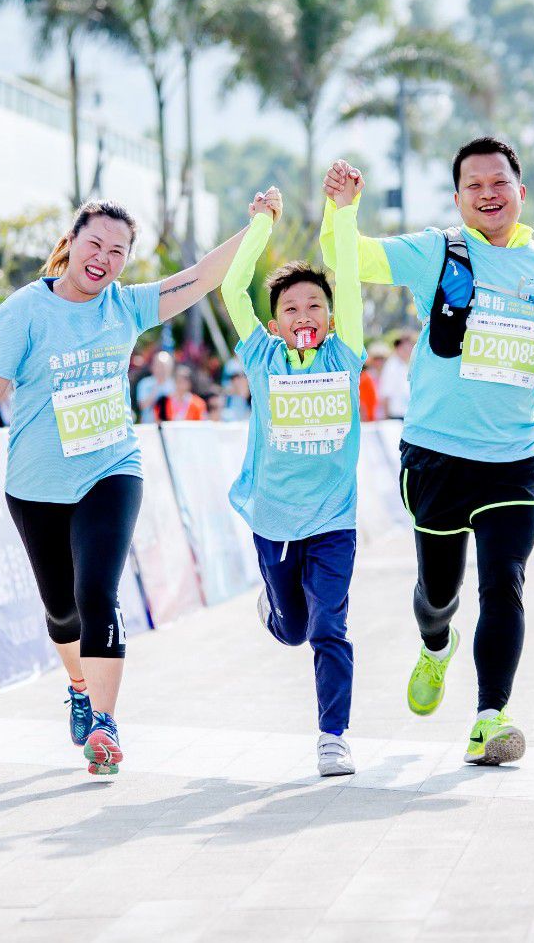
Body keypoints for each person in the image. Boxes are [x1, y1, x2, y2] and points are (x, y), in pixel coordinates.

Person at [0, 199, 251, 777]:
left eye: (117, 251)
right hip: (36, 484)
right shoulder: (24, 311)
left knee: (97, 592)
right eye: (95, 245)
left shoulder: (128, 306)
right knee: (62, 612)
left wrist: (258, 225)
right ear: (72, 241)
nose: (103, 259)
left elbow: (206, 275)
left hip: (112, 470)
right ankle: (80, 688)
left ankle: (104, 723)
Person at [320, 140, 534, 767]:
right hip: (438, 456)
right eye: (473, 185)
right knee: (440, 591)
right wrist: (342, 209)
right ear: (458, 199)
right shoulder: (438, 252)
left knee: (505, 585)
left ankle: (490, 718)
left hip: (514, 457)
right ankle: (435, 644)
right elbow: (350, 258)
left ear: (520, 191)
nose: (487, 193)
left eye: (498, 182)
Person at [220, 182, 365, 777]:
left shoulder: (345, 355)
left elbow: (350, 275)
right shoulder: (261, 357)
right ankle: (278, 613)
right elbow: (233, 288)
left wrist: (344, 212)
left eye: (314, 307)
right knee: (296, 629)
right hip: (275, 518)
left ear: (331, 319)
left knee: (330, 625)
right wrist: (261, 224)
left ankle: (333, 736)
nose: (303, 316)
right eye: (290, 309)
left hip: (334, 519)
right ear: (275, 324)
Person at [378, 332, 413, 420]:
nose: (409, 350)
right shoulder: (391, 366)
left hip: (404, 414)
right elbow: (385, 394)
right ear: (398, 348)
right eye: (406, 348)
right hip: (395, 415)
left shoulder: (403, 365)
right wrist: (386, 418)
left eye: (410, 347)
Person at [136, 350, 173, 423]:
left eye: (165, 366)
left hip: (169, 427)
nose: (162, 369)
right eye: (159, 366)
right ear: (153, 366)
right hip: (149, 427)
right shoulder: (145, 383)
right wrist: (155, 390)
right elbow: (142, 406)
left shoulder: (174, 385)